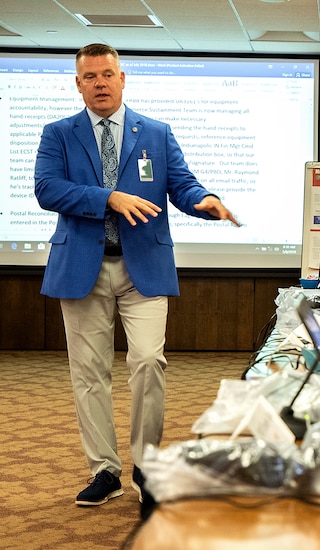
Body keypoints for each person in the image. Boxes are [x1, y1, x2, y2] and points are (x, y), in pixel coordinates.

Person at [34, 43, 239, 507]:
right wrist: (108, 197)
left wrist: (204, 200)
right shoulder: (58, 134)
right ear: (78, 83)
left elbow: (182, 184)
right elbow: (47, 189)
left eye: (108, 74)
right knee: (89, 374)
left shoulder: (157, 132)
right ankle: (104, 470)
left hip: (142, 267)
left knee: (148, 363)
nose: (100, 83)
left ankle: (147, 467)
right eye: (91, 77)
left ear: (123, 79)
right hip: (81, 267)